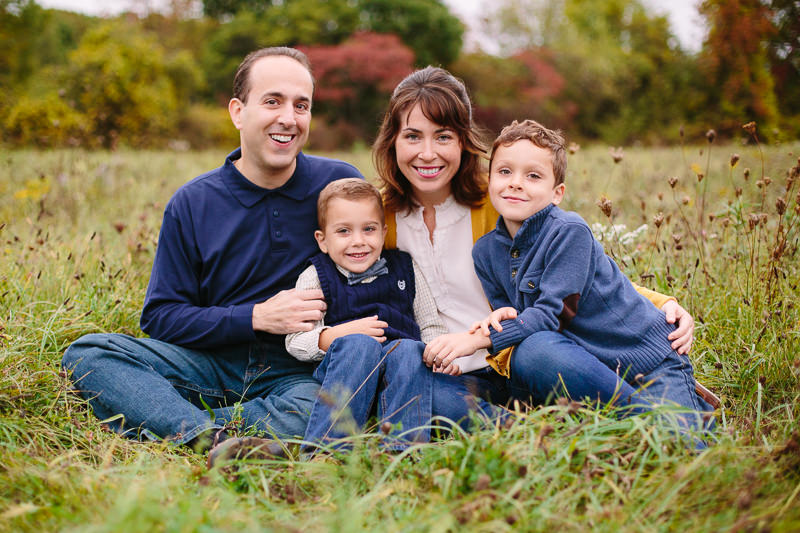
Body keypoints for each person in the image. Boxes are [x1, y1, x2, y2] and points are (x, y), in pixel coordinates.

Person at [61, 47, 365, 465]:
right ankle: (211, 432)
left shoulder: (339, 183)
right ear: (238, 112)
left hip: (300, 371)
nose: (289, 119)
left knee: (335, 403)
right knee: (91, 353)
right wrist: (256, 316)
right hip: (209, 364)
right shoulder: (192, 202)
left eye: (302, 106)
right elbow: (161, 316)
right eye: (272, 101)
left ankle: (179, 424)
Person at [372, 66, 702, 424]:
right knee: (405, 386)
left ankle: (652, 418)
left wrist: (662, 303)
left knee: (538, 352)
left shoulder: (500, 200)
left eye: (443, 137)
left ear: (464, 140)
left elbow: (573, 271)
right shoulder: (378, 218)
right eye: (412, 136)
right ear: (393, 140)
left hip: (513, 357)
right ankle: (514, 429)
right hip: (448, 372)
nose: (427, 153)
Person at [429, 119, 714, 441]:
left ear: (557, 193)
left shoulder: (568, 231)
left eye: (533, 176)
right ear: (489, 178)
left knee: (682, 448)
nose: (516, 183)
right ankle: (641, 420)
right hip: (586, 369)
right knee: (531, 350)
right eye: (504, 172)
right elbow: (513, 319)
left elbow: (552, 313)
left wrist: (473, 341)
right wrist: (498, 318)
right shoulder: (486, 251)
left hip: (646, 361)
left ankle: (674, 418)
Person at [284, 178, 455, 447]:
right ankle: (328, 449)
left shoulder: (405, 268)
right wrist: (334, 335)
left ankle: (402, 449)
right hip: (347, 376)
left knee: (410, 349)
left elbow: (430, 324)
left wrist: (439, 352)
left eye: (369, 229)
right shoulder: (315, 277)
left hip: (404, 375)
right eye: (343, 231)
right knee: (358, 345)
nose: (358, 241)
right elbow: (295, 341)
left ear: (383, 233)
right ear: (323, 240)